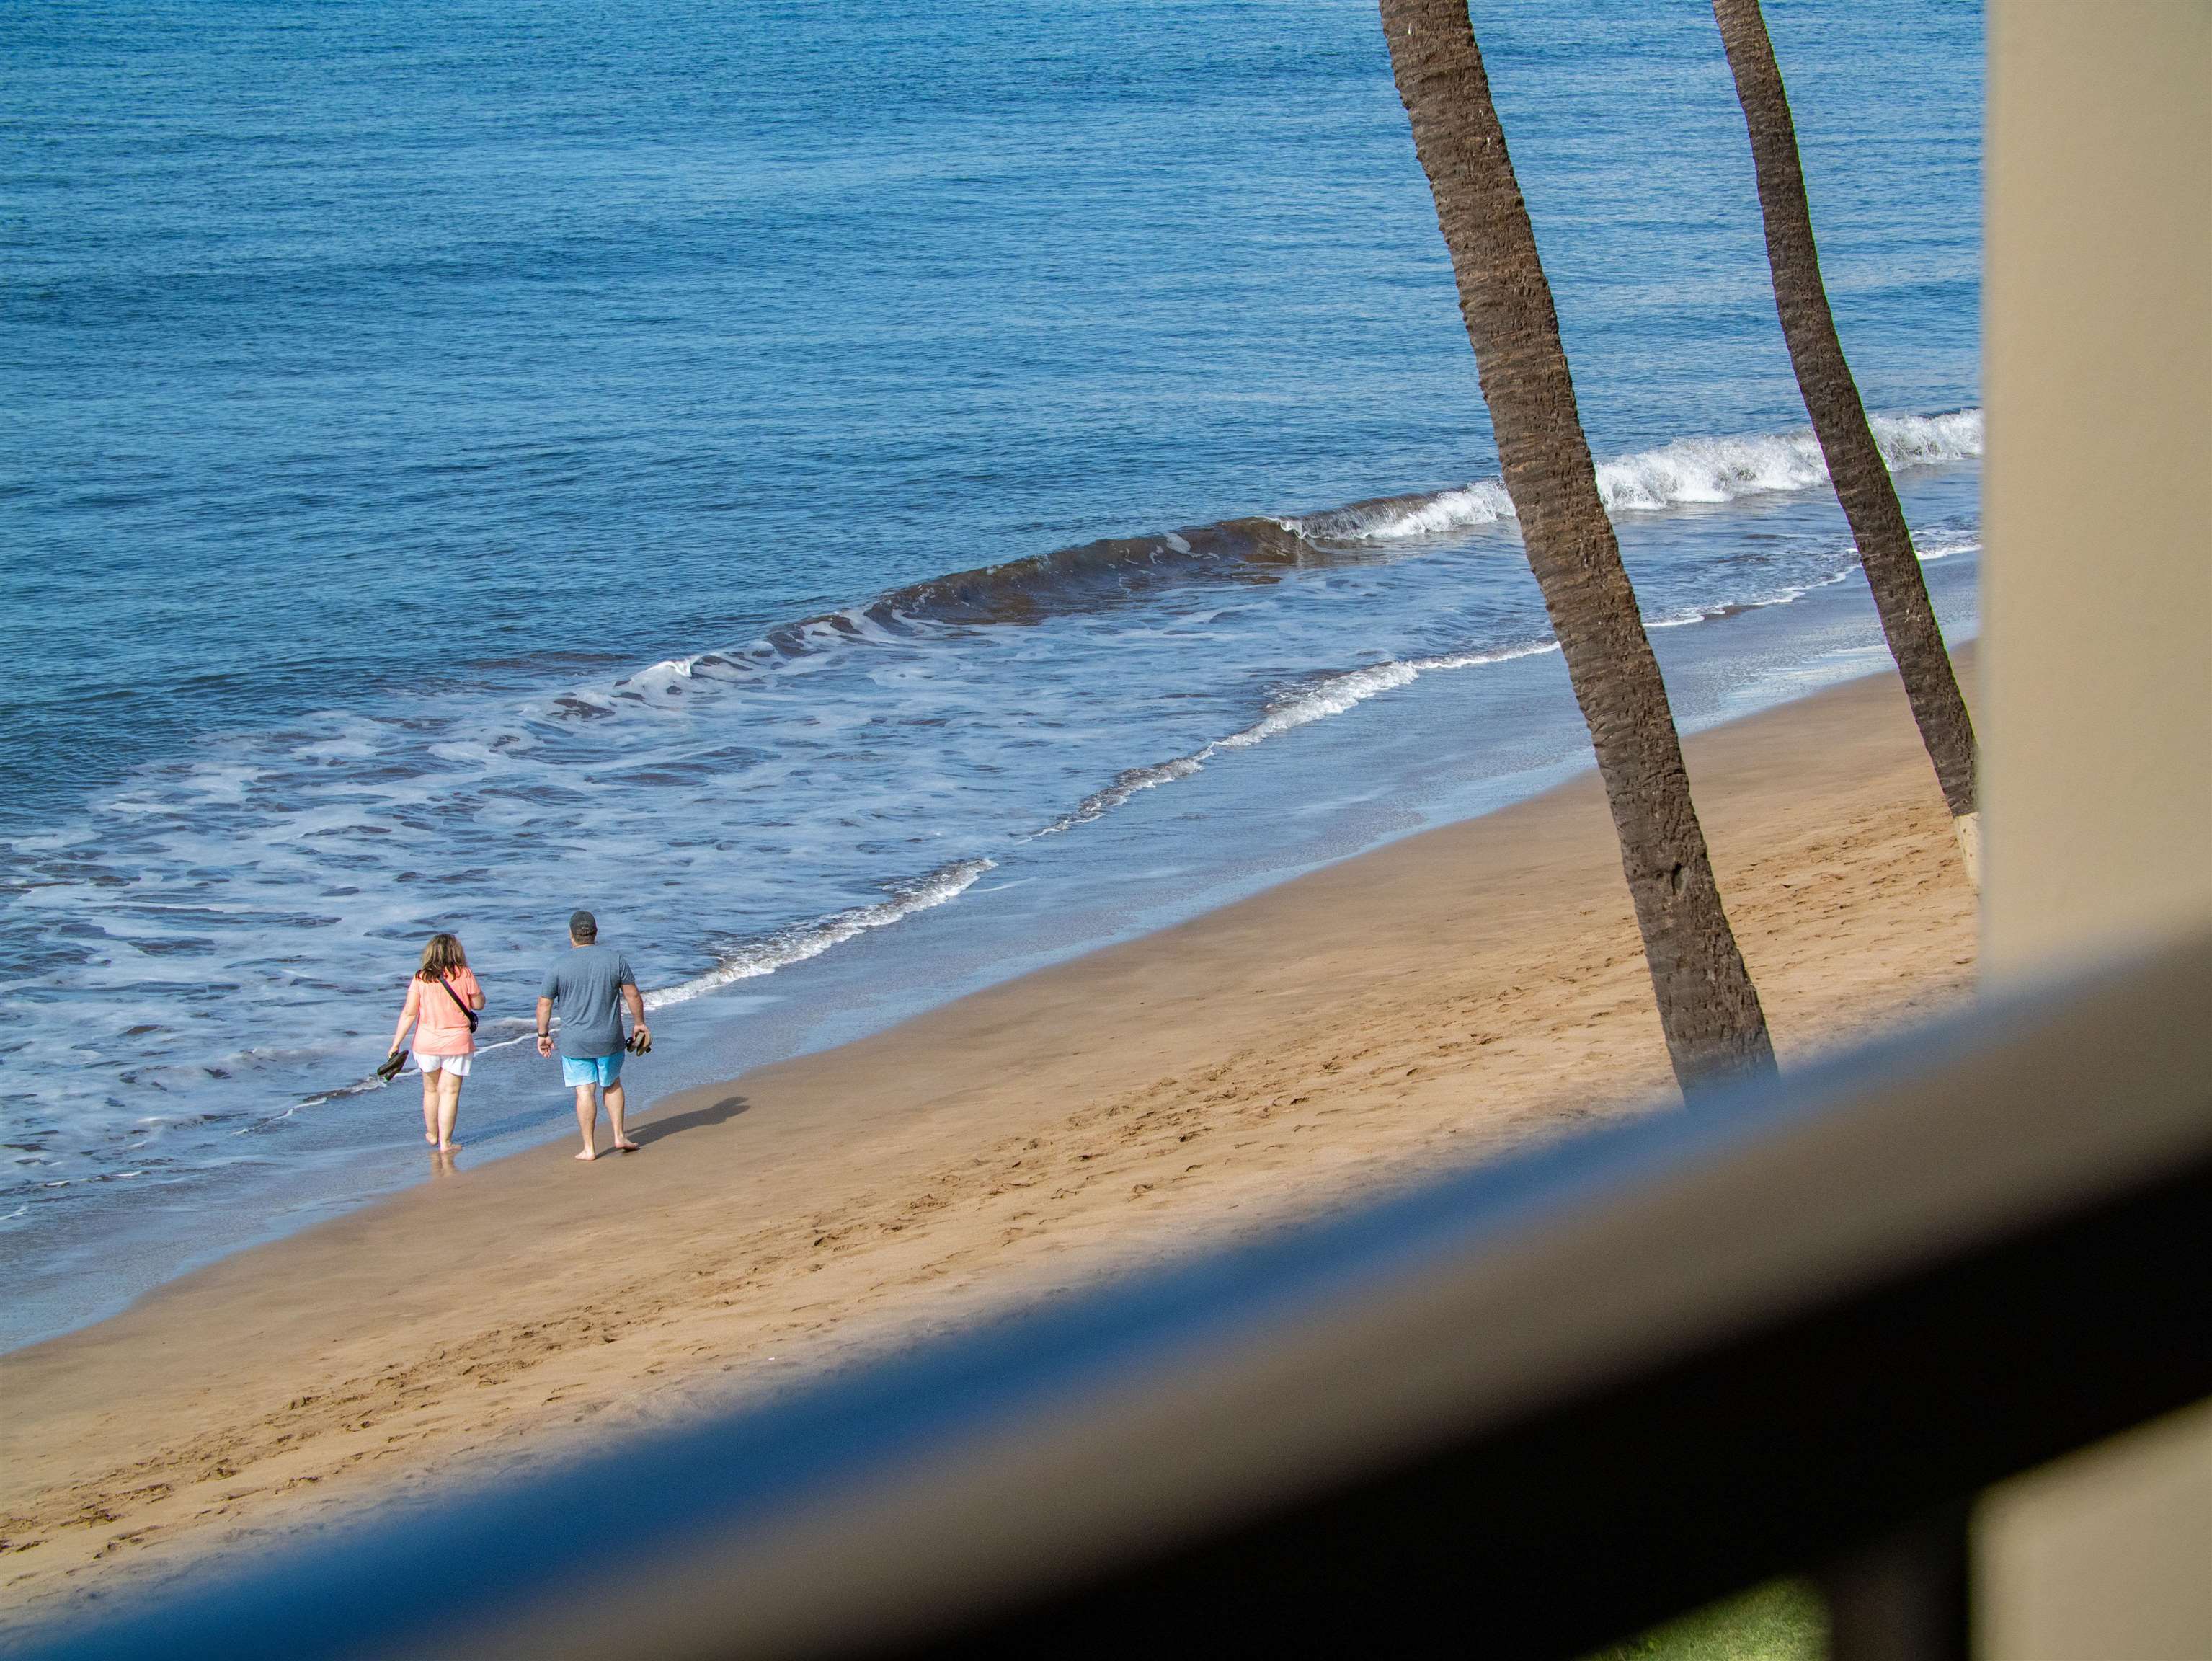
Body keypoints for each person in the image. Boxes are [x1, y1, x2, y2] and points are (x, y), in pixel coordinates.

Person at [536, 909, 650, 1162]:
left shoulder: (558, 965)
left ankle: (589, 1148)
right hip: (609, 1038)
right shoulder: (615, 960)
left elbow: (544, 1005)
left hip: (575, 1042)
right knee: (612, 1084)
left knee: (584, 1092)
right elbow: (632, 995)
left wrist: (543, 1034)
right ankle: (619, 1135)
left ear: (571, 935)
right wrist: (639, 1024)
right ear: (595, 933)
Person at [387, 932, 484, 1153]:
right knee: (449, 1092)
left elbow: (409, 1014)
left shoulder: (421, 978)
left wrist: (396, 1043)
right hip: (457, 1043)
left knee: (431, 1090)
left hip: (426, 1043)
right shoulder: (464, 974)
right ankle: (446, 1143)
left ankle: (432, 1134)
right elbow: (478, 1004)